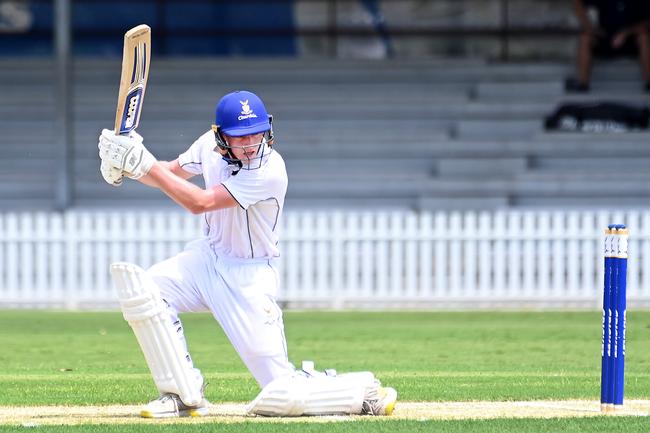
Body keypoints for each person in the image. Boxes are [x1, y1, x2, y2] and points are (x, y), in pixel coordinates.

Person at [97, 90, 397, 418]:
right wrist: (127, 168)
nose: (250, 143)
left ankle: (359, 391)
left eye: (256, 133)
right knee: (146, 289)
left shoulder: (270, 170)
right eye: (240, 137)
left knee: (282, 392)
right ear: (220, 137)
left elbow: (199, 203)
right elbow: (170, 173)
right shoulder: (206, 147)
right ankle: (181, 394)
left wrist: (142, 163)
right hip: (206, 261)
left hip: (249, 278)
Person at [567, 0, 650, 92]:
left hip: (631, 41)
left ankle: (648, 83)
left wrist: (627, 32)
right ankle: (583, 84)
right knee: (585, 37)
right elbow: (577, 2)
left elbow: (647, 22)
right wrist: (588, 26)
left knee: (644, 37)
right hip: (606, 38)